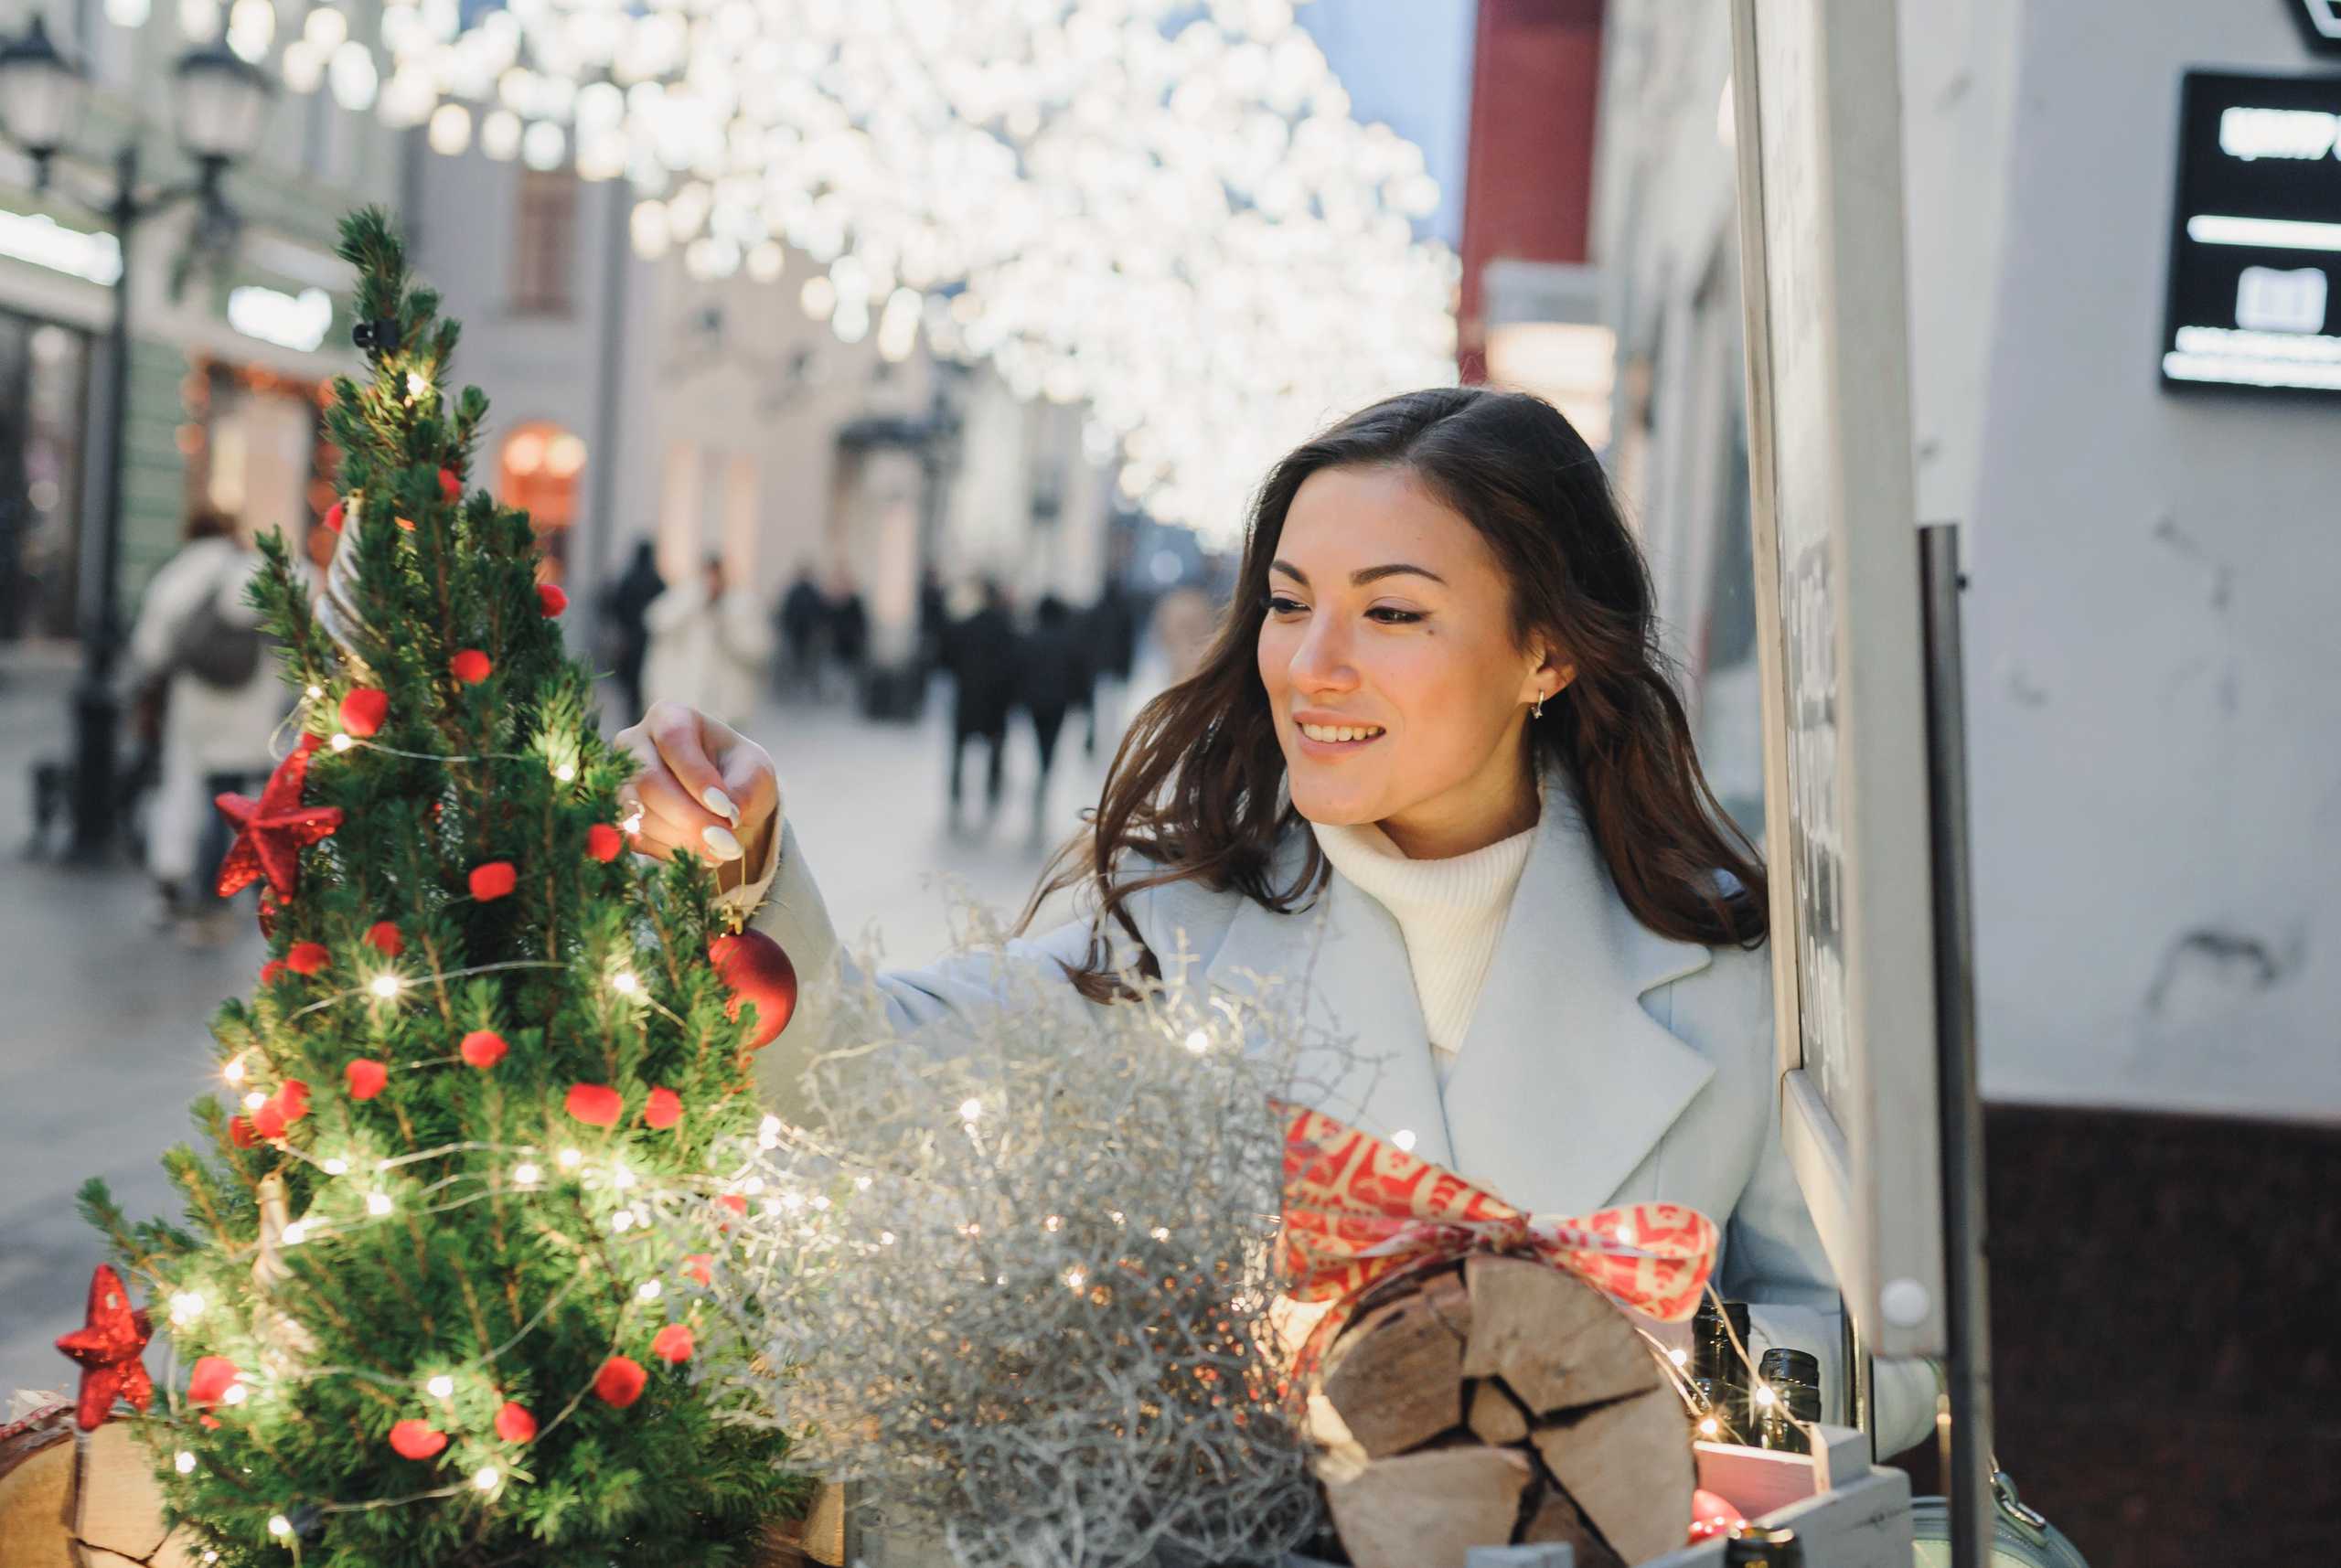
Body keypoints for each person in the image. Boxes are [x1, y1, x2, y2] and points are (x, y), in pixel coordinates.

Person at [612, 389, 1935, 1456]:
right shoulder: (1173, 925)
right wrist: (742, 861)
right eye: (1291, 601)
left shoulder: (1732, 965)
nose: (1313, 664)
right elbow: (867, 1074)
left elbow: (1874, 1363)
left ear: (1547, 649)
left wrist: (1629, 1380)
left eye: (1393, 611)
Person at [125, 508, 284, 942]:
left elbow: (150, 649)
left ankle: (179, 887)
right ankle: (235, 893)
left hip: (195, 707)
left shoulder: (183, 574)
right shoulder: (257, 570)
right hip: (253, 708)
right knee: (239, 798)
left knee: (185, 792)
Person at [641, 554, 773, 728]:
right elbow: (657, 623)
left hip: (729, 709)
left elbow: (760, 650)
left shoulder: (743, 606)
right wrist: (694, 599)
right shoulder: (684, 599)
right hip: (684, 703)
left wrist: (728, 635)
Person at [937, 581, 1019, 821]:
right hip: (995, 699)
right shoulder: (1005, 628)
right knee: (995, 746)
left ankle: (956, 789)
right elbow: (1014, 664)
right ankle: (992, 788)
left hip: (969, 695)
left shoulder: (966, 626)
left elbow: (946, 656)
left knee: (960, 746)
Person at [1016, 594, 1091, 835]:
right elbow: (1079, 672)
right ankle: (1045, 769)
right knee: (1052, 738)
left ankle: (1043, 768)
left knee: (1040, 737)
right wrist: (1082, 701)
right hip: (1059, 702)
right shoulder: (1070, 639)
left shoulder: (1031, 637)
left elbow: (1021, 669)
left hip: (1035, 701)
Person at [602, 539, 664, 720]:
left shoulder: (628, 580)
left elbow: (614, 606)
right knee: (644, 684)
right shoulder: (657, 582)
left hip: (629, 640)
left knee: (631, 690)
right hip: (647, 642)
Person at [776, 565, 827, 695]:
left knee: (803, 662)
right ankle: (798, 687)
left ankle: (799, 687)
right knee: (799, 662)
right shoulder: (806, 592)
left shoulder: (799, 592)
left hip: (801, 633)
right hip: (800, 633)